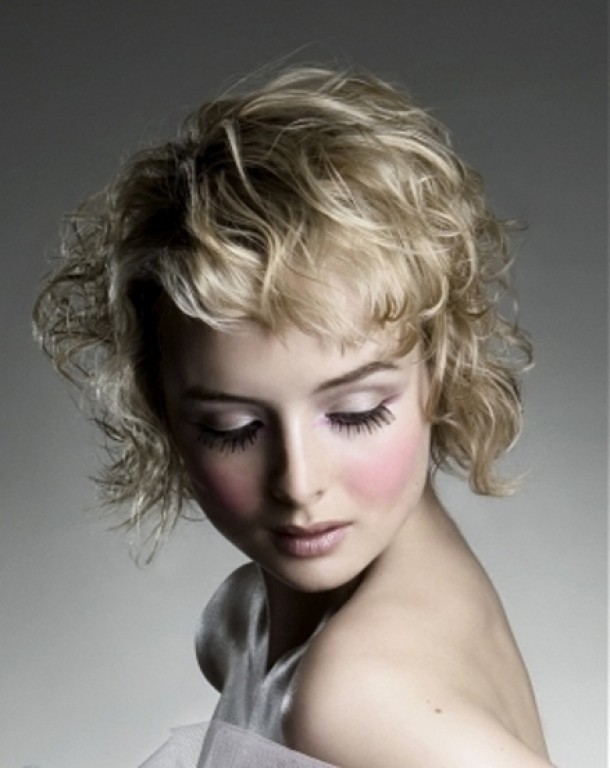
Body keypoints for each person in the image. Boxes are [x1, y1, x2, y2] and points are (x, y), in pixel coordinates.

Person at [33, 66, 554, 767]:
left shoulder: (359, 695)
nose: (299, 483)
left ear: (441, 368)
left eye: (357, 413)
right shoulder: (242, 620)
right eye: (232, 428)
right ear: (161, 409)